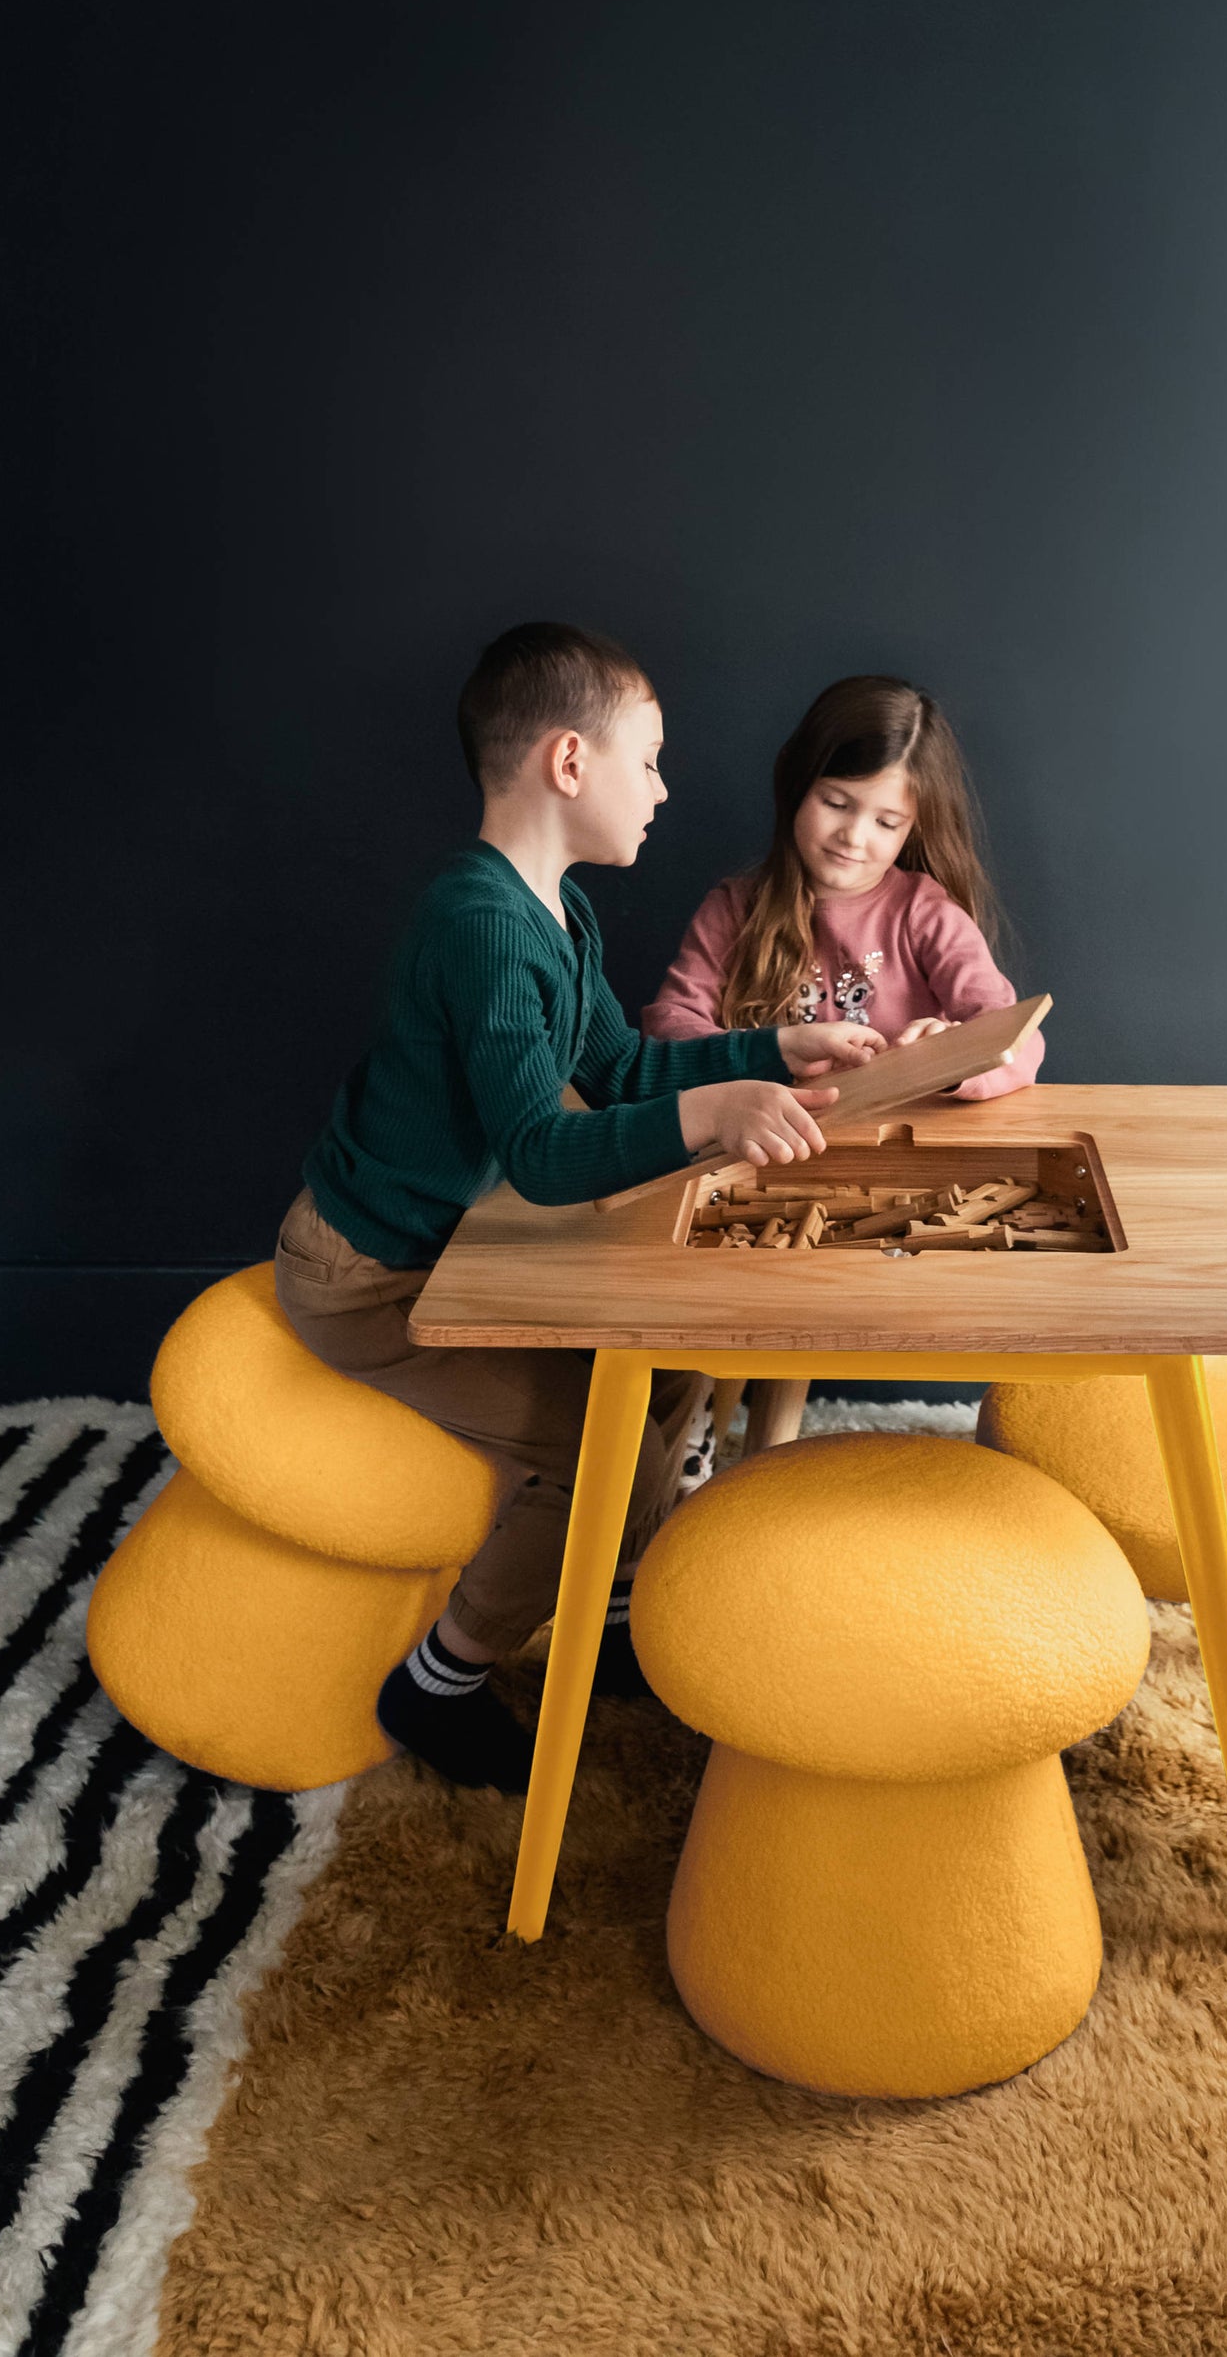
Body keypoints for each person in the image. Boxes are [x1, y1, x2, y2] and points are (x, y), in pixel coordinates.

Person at [275, 623, 881, 1789]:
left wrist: (773, 1047)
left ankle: (607, 1618)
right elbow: (546, 1154)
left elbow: (613, 1068)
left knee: (667, 1369)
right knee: (619, 1459)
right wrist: (713, 1118)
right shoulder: (485, 928)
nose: (662, 788)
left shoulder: (554, 908)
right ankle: (436, 1681)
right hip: (369, 1274)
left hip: (454, 1250)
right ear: (567, 762)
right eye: (647, 760)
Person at [642, 674, 1043, 1100]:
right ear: (798, 786)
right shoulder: (734, 909)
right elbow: (669, 1029)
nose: (853, 836)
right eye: (836, 803)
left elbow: (1019, 1041)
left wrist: (950, 1064)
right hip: (768, 1146)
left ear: (912, 829)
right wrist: (767, 1052)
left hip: (899, 1147)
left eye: (886, 822)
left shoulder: (926, 915)